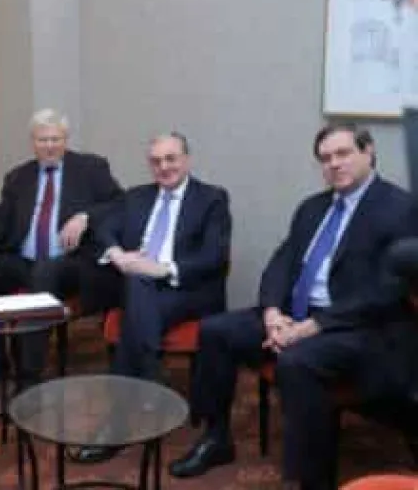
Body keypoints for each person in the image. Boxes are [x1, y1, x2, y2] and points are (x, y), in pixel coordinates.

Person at [168, 123, 418, 490]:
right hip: (295, 314)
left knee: (297, 361)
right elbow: (281, 264)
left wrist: (313, 327)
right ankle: (216, 437)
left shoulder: (400, 208)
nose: (334, 164)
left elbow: (386, 291)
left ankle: (310, 480)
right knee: (216, 330)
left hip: (360, 326)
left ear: (368, 152)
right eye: (325, 158)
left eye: (343, 154)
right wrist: (272, 314)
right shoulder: (313, 207)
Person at [71, 132, 231, 463]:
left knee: (136, 293)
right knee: (137, 285)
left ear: (186, 160)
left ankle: (118, 422)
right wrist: (117, 254)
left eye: (171, 159)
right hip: (143, 290)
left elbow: (214, 256)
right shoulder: (137, 196)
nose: (164, 167)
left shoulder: (212, 198)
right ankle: (149, 370)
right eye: (156, 161)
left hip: (187, 290)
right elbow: (105, 229)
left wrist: (162, 269)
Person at [0, 108, 123, 383]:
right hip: (25, 260)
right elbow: (0, 217)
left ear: (65, 139)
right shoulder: (19, 177)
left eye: (55, 139)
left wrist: (85, 216)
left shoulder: (91, 168)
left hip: (70, 262)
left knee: (45, 273)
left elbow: (119, 203)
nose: (49, 146)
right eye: (43, 140)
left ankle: (30, 373)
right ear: (33, 142)